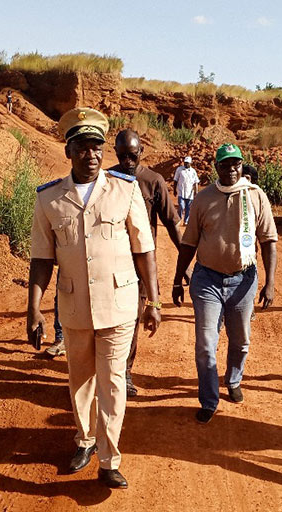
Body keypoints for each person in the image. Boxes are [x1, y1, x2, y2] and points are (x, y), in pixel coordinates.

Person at [26, 107, 160, 489]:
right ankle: (85, 440)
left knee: (113, 382)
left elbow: (144, 250)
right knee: (80, 379)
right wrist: (33, 309)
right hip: (74, 307)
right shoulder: (49, 199)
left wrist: (154, 301)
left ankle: (108, 459)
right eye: (83, 147)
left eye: (97, 147)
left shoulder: (125, 189)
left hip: (119, 304)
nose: (91, 155)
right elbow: (41, 259)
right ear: (68, 151)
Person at [172, 143, 277, 424]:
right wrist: (177, 279)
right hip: (207, 280)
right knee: (206, 344)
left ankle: (233, 379)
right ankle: (209, 400)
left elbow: (268, 241)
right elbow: (189, 243)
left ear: (242, 165)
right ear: (216, 167)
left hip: (243, 280)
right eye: (225, 164)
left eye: (236, 163)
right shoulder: (204, 198)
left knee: (240, 340)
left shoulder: (255, 196)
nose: (231, 169)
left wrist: (270, 282)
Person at [107, 129, 185, 396]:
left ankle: (125, 372)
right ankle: (106, 370)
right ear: (115, 153)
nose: (127, 162)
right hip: (110, 262)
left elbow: (171, 224)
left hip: (139, 265)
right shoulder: (107, 178)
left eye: (132, 155)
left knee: (132, 318)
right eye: (122, 156)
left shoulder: (153, 181)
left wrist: (184, 262)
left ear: (141, 151)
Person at [173, 156, 199, 224]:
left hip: (190, 193)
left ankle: (186, 221)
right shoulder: (179, 169)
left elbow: (195, 182)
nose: (186, 164)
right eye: (185, 163)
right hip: (181, 191)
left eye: (187, 163)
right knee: (181, 206)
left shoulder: (193, 171)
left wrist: (196, 192)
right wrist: (174, 190)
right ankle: (179, 219)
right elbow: (175, 180)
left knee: (188, 208)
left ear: (190, 163)